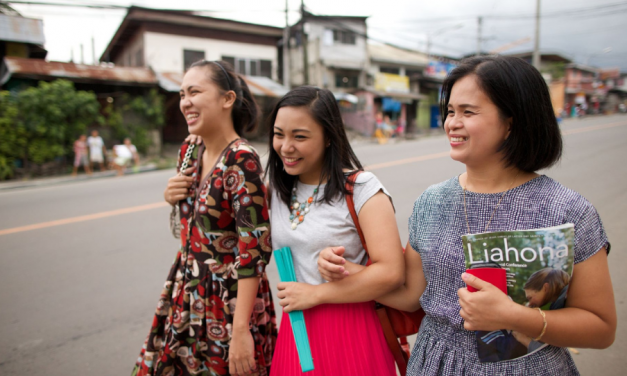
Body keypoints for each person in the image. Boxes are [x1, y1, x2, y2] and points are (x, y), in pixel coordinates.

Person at [318, 55, 616, 375]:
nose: (451, 123)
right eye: (450, 111)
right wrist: (348, 270)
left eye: (467, 112)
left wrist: (515, 317)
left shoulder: (567, 211)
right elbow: (409, 296)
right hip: (434, 364)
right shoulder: (431, 202)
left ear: (511, 121)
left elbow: (601, 328)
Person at [132, 60, 277, 376]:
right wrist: (170, 196)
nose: (185, 102)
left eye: (194, 92)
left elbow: (254, 252)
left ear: (227, 99)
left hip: (229, 303)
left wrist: (240, 331)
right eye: (182, 94)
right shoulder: (189, 149)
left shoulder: (242, 160)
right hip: (186, 290)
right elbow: (189, 224)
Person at [267, 86, 405, 375]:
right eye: (279, 134)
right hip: (297, 331)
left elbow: (392, 272)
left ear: (329, 137)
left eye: (300, 136)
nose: (286, 146)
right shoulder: (277, 191)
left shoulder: (362, 188)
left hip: (353, 329)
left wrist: (318, 293)